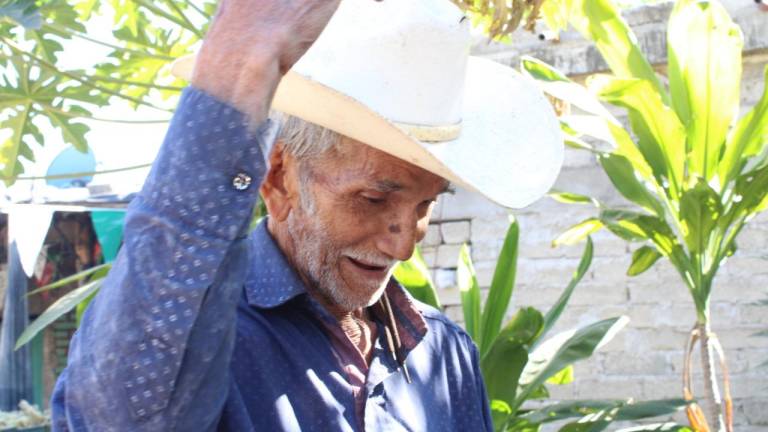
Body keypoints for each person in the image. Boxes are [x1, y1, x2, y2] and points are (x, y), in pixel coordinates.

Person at [51, 0, 563, 430]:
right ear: (278, 181)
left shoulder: (446, 355)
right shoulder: (203, 339)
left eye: (426, 204)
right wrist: (237, 69)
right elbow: (113, 416)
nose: (404, 244)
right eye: (373, 199)